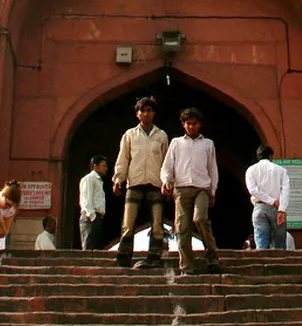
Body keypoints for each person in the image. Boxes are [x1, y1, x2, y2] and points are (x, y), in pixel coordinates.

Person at [161, 107, 221, 275]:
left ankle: (212, 255)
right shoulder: (176, 143)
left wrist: (213, 190)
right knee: (182, 228)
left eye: (194, 124)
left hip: (202, 187)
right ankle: (187, 266)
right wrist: (166, 181)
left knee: (200, 218)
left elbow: (212, 168)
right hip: (181, 188)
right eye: (188, 124)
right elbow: (167, 166)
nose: (191, 127)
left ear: (199, 124)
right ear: (183, 125)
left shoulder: (208, 144)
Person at [113, 96, 170, 268]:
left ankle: (154, 256)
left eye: (149, 111)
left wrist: (168, 184)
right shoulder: (130, 135)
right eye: (143, 111)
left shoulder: (161, 135)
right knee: (128, 223)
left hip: (155, 183)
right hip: (135, 183)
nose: (146, 114)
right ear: (137, 114)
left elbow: (166, 162)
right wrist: (118, 180)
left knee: (157, 224)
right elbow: (123, 159)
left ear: (154, 114)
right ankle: (123, 257)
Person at [245, 144, 289, 250]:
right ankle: (279, 264)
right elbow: (286, 190)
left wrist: (270, 200)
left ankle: (262, 263)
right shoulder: (281, 170)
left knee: (261, 241)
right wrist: (281, 209)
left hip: (259, 207)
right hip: (277, 209)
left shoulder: (251, 170)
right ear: (270, 156)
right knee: (279, 243)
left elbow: (253, 190)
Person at [79, 155, 108, 250]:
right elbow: (86, 200)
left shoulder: (98, 181)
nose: (106, 169)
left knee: (96, 248)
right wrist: (93, 217)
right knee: (89, 247)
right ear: (95, 166)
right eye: (103, 166)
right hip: (90, 218)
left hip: (96, 218)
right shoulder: (89, 179)